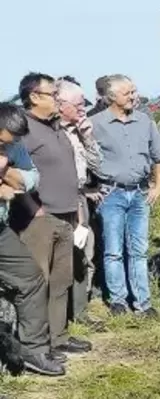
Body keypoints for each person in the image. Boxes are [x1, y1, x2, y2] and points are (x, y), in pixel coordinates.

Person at [12, 72, 92, 355]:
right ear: (34, 97)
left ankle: (58, 337)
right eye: (53, 95)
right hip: (40, 219)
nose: (58, 100)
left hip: (67, 215)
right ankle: (36, 343)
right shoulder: (23, 130)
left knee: (61, 280)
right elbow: (13, 174)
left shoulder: (56, 127)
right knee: (38, 283)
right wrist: (35, 210)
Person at [90, 74, 160, 317]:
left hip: (139, 193)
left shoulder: (145, 121)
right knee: (113, 249)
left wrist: (157, 186)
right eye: (128, 93)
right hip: (111, 193)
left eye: (134, 91)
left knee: (138, 249)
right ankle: (118, 300)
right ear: (112, 97)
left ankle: (143, 303)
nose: (134, 97)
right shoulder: (95, 124)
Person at [0, 103, 65, 376]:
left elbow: (32, 178)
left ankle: (33, 350)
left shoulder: (14, 146)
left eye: (12, 143)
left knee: (31, 276)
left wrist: (7, 173)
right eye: (4, 141)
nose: (10, 146)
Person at [55, 79, 105, 331]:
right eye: (78, 105)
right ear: (61, 105)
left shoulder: (80, 132)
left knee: (84, 255)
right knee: (59, 260)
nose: (83, 109)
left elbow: (98, 166)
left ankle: (81, 310)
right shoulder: (50, 132)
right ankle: (59, 317)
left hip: (79, 199)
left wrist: (88, 138)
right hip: (56, 202)